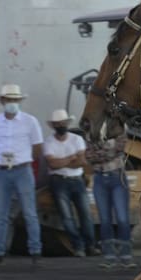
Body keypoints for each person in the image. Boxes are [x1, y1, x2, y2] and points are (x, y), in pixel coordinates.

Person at [0, 84, 43, 266]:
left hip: (22, 169)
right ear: (2, 101)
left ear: (19, 101)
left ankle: (35, 250)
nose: (12, 103)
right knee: (1, 214)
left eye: (14, 100)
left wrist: (24, 161)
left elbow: (38, 148)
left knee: (29, 213)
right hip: (2, 171)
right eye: (9, 100)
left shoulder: (30, 121)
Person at [43, 109, 95, 258]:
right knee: (66, 216)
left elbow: (82, 162)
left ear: (66, 124)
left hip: (77, 180)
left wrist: (62, 162)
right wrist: (71, 158)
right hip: (58, 181)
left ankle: (89, 246)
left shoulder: (77, 139)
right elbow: (52, 164)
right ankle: (78, 246)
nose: (61, 125)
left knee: (85, 214)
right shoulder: (48, 142)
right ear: (53, 126)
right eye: (58, 124)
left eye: (63, 123)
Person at [85, 134, 133, 268]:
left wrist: (98, 153)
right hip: (104, 177)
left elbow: (116, 150)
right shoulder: (92, 133)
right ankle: (113, 256)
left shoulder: (119, 130)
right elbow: (89, 156)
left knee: (122, 218)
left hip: (113, 176)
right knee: (105, 219)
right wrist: (107, 152)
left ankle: (123, 255)